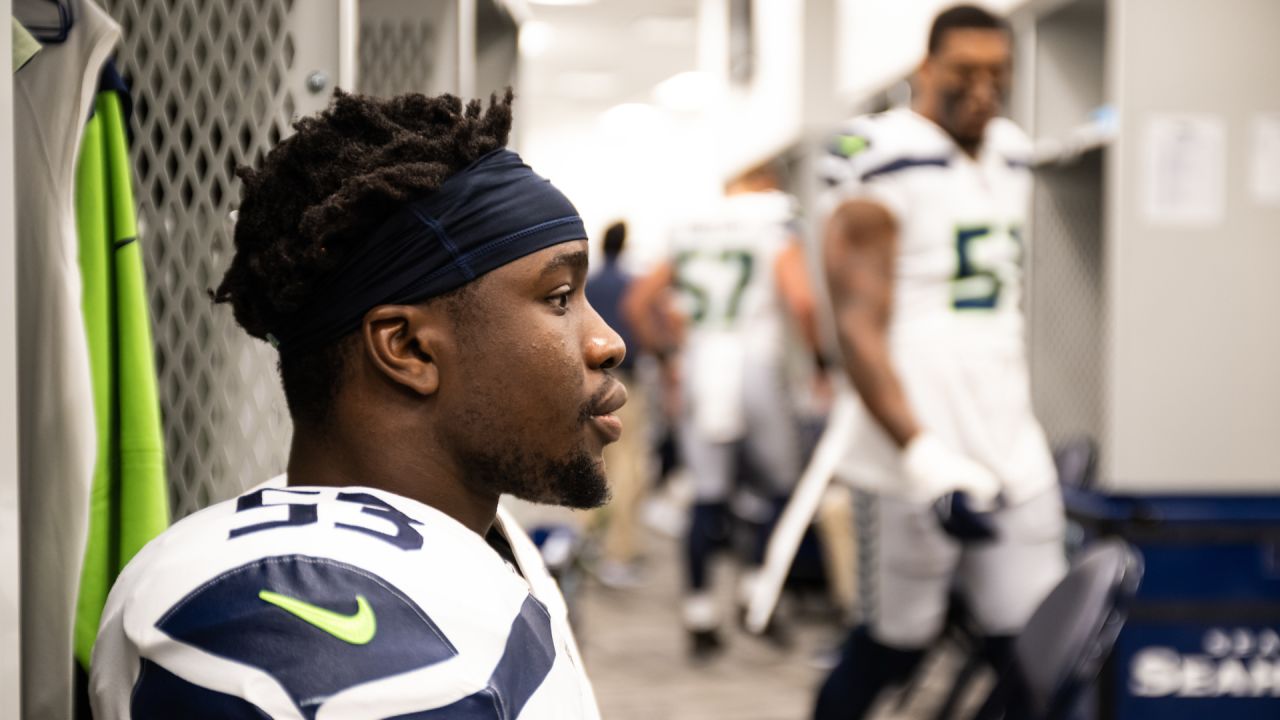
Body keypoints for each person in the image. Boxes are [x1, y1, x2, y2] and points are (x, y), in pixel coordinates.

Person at [89, 90, 625, 719]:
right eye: (560, 297)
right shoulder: (305, 609)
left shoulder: (466, 533)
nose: (607, 342)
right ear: (408, 348)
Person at [812, 5, 1068, 717]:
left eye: (998, 74)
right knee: (896, 645)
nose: (983, 90)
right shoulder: (877, 150)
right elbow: (857, 328)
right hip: (909, 449)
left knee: (1037, 651)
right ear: (924, 70)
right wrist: (923, 457)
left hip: (1009, 440)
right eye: (964, 73)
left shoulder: (1013, 149)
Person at [627, 163, 820, 661]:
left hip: (701, 366)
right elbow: (800, 298)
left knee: (705, 496)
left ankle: (699, 615)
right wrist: (821, 361)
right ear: (766, 183)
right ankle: (757, 592)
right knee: (782, 488)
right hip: (754, 363)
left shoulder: (692, 221)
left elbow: (640, 300)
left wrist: (668, 357)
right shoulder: (773, 214)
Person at [584, 221, 652, 588]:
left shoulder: (589, 283)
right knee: (628, 467)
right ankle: (618, 552)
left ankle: (589, 540)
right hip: (627, 381)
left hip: (591, 381)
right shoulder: (631, 284)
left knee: (595, 459)